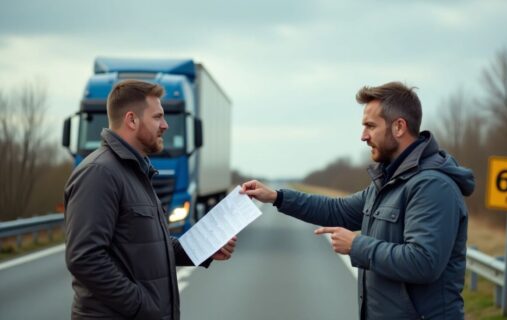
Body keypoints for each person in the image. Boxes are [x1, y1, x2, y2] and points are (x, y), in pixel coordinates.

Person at [241, 82, 475, 320]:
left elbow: (423, 262)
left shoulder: (433, 186)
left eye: (370, 126)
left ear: (399, 127)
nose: (363, 136)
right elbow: (337, 210)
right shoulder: (388, 183)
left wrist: (357, 245)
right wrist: (277, 197)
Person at [64, 79, 236, 320]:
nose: (165, 125)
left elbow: (153, 244)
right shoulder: (99, 173)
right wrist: (141, 307)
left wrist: (206, 248)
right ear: (131, 120)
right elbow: (85, 258)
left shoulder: (136, 172)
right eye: (157, 117)